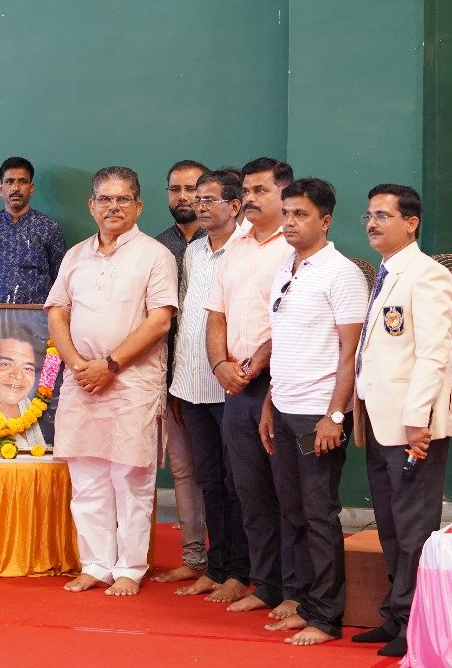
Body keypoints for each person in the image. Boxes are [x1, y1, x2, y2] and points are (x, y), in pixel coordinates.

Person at [46, 166, 177, 596]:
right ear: (91, 206)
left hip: (132, 384)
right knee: (87, 480)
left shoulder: (155, 255)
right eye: (105, 199)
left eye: (123, 199)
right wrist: (77, 364)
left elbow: (159, 321)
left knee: (130, 480)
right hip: (81, 382)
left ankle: (130, 568)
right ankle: (96, 564)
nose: (113, 207)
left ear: (139, 206)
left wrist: (110, 365)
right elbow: (57, 311)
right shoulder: (75, 255)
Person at [351, 184, 452, 658]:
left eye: (383, 215)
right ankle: (396, 614)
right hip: (379, 420)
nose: (372, 224)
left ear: (411, 223)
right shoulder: (385, 273)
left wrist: (418, 420)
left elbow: (434, 353)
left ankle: (416, 620)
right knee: (391, 524)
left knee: (414, 526)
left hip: (412, 425)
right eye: (368, 216)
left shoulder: (428, 274)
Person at [260, 177, 367, 646]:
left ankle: (326, 617)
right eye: (286, 213)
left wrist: (335, 416)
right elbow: (283, 343)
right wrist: (268, 405)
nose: (289, 222)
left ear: (325, 221)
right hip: (284, 409)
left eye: (300, 214)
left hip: (317, 416)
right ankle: (304, 603)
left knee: (319, 512)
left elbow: (350, 355)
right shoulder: (286, 267)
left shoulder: (342, 274)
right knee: (293, 510)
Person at [205, 157, 298, 619]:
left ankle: (298, 591)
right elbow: (215, 315)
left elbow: (294, 321)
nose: (250, 198)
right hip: (235, 386)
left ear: (285, 195)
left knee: (288, 494)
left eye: (261, 190)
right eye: (246, 190)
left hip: (278, 384)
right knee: (248, 491)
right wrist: (220, 364)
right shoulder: (235, 248)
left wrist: (257, 362)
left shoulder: (297, 249)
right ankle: (266, 584)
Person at [170, 168, 251, 602]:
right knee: (209, 481)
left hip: (230, 385)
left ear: (235, 205)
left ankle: (241, 571)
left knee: (238, 482)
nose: (198, 206)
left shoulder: (248, 249)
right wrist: (177, 381)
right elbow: (188, 318)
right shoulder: (194, 252)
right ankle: (217, 568)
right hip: (191, 385)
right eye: (197, 199)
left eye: (208, 199)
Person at [152, 159, 209, 585]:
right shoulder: (157, 249)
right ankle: (194, 557)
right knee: (185, 470)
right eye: (176, 189)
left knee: (226, 474)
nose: (184, 197)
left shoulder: (227, 241)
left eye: (193, 189)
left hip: (223, 379)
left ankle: (235, 563)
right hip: (173, 377)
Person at [0, 156, 66, 303]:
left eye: (23, 181)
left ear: (31, 188)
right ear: (1, 189)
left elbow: (61, 281)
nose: (16, 188)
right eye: (9, 181)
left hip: (39, 315)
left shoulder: (49, 227)